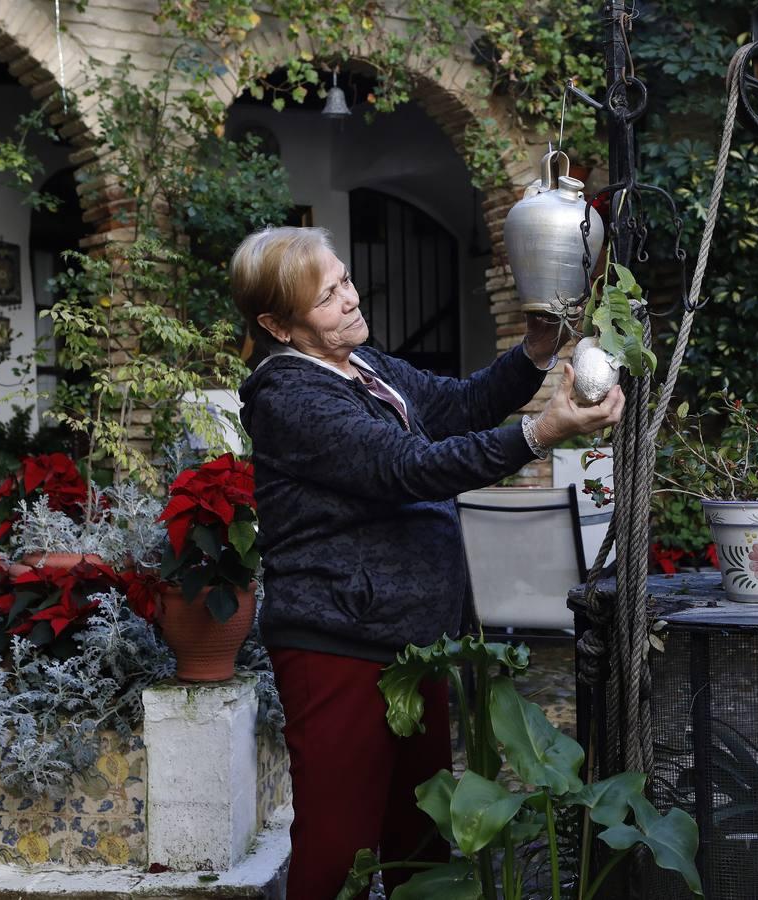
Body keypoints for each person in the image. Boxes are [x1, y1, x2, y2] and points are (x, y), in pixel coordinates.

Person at [231, 225, 623, 899]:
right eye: (328, 297)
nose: (351, 299)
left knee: (420, 841)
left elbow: (460, 405)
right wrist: (541, 433)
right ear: (277, 324)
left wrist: (538, 344)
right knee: (337, 847)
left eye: (345, 279)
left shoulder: (366, 367)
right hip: (340, 645)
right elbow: (407, 468)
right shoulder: (289, 395)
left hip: (412, 644)